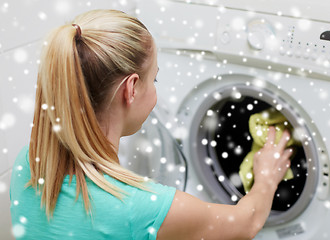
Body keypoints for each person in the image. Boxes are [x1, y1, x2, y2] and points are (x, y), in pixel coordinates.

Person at [10, 9, 293, 240]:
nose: (155, 91)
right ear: (131, 89)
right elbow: (247, 223)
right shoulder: (141, 207)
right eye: (153, 79)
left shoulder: (28, 163)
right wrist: (266, 177)